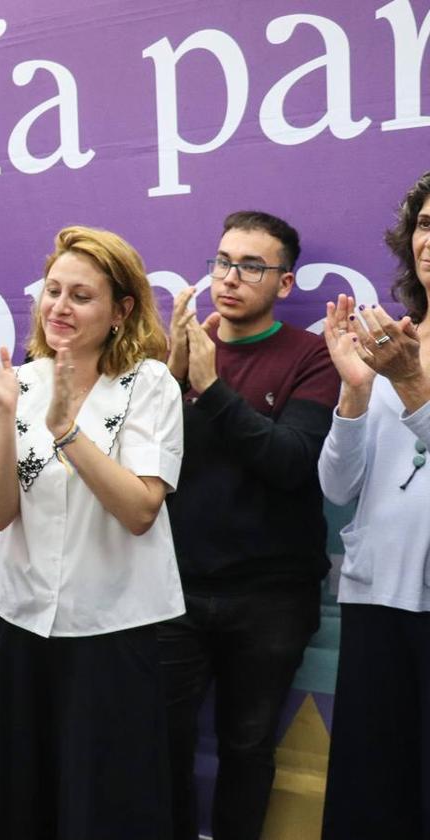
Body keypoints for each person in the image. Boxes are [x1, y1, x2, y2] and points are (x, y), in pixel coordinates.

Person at [0, 226, 184, 839]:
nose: (59, 306)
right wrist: (6, 413)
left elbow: (140, 509)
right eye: (52, 290)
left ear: (121, 310)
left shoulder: (149, 384)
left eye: (81, 296)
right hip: (17, 625)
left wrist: (65, 431)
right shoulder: (22, 382)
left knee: (100, 807)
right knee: (13, 805)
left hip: (109, 633)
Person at [159, 212, 339, 840]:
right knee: (163, 745)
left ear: (284, 284)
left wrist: (209, 387)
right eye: (222, 261)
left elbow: (291, 462)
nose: (230, 278)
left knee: (247, 747)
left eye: (251, 266)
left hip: (270, 597)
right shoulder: (179, 356)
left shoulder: (312, 356)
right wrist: (171, 371)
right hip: (174, 590)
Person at [318, 171, 430, 840]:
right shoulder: (393, 341)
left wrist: (413, 386)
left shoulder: (404, 361)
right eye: (424, 224)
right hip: (378, 597)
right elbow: (337, 488)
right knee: (371, 795)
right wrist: (356, 394)